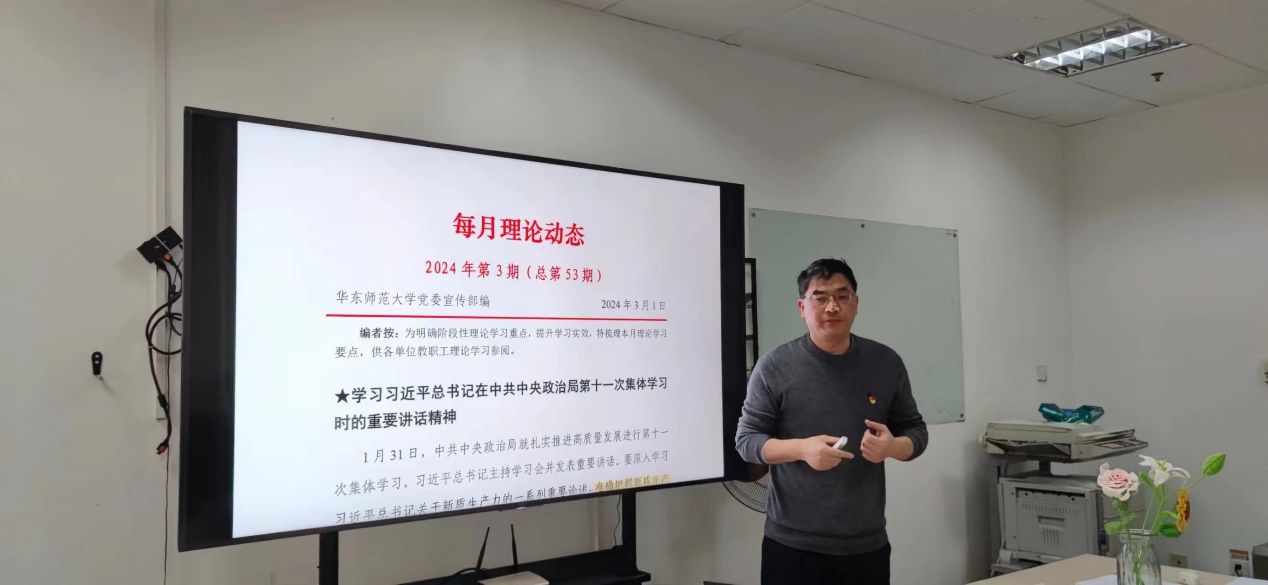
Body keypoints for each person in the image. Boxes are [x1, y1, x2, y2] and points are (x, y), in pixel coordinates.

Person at [735, 258, 928, 585]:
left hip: (865, 544)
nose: (832, 306)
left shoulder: (885, 362)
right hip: (792, 545)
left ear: (856, 303)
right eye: (820, 297)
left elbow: (916, 431)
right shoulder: (774, 366)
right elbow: (747, 441)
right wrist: (802, 449)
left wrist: (893, 447)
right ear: (802, 307)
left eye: (842, 296)